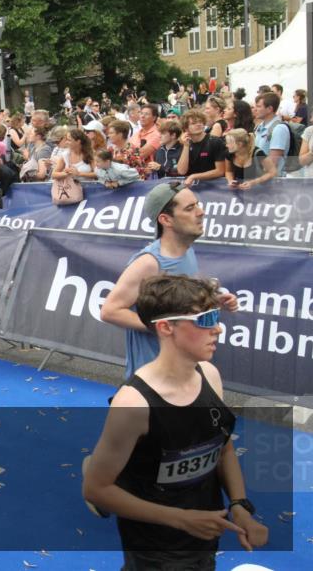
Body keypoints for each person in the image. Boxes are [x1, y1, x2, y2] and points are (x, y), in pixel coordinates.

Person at [84, 275, 268, 570]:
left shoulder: (210, 375)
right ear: (166, 327)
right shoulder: (133, 404)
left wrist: (239, 505)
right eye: (206, 319)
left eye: (216, 316)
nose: (218, 328)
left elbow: (222, 450)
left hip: (205, 530)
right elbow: (95, 490)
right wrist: (181, 519)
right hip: (154, 548)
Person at [101, 182, 238, 379]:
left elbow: (177, 303)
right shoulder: (149, 263)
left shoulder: (187, 251)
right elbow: (110, 311)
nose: (201, 212)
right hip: (153, 378)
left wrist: (213, 303)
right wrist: (168, 325)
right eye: (190, 208)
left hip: (182, 370)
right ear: (166, 219)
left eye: (197, 204)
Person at [175, 109, 227, 185]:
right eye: (193, 123)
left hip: (214, 185)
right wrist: (186, 146)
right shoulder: (185, 143)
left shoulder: (215, 142)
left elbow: (220, 171)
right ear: (186, 128)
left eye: (200, 122)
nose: (199, 124)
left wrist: (194, 176)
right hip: (193, 185)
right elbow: (182, 171)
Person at [253, 91, 292, 176]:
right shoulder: (259, 127)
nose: (255, 109)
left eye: (258, 106)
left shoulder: (279, 129)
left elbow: (272, 163)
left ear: (270, 109)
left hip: (272, 182)